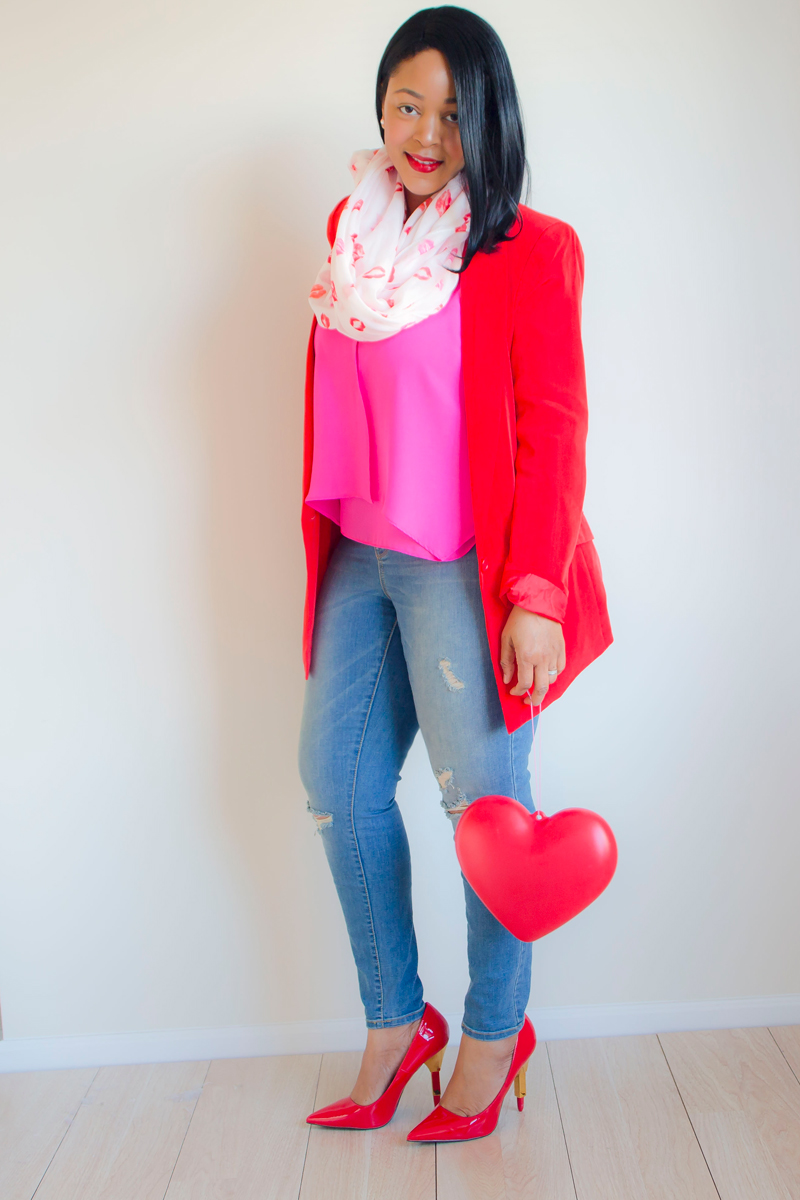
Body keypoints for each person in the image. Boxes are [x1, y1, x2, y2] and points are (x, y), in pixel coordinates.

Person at [297, 5, 612, 1143]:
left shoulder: (529, 249)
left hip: (467, 568)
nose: (423, 133)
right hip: (359, 555)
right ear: (379, 110)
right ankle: (395, 1026)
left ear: (487, 116)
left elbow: (554, 427)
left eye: (447, 110)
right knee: (335, 782)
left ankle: (492, 1034)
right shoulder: (353, 228)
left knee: (484, 816)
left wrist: (534, 595)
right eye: (403, 104)